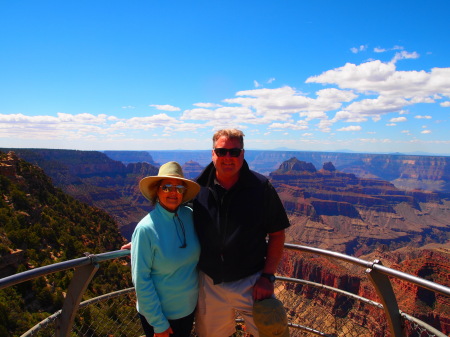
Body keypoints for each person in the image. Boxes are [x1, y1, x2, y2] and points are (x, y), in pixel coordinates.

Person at [193, 129, 290, 337]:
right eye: (222, 151)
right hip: (210, 284)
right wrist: (143, 239)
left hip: (252, 283)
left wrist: (267, 276)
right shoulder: (197, 188)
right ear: (213, 153)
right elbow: (175, 218)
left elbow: (277, 233)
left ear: (242, 154)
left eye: (234, 152)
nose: (228, 157)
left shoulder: (261, 188)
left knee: (269, 333)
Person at [131, 161, 200, 337]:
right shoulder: (145, 229)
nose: (173, 193)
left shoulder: (189, 216)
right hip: (162, 316)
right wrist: (158, 323)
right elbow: (141, 281)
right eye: (167, 187)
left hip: (188, 310)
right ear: (157, 190)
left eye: (179, 188)